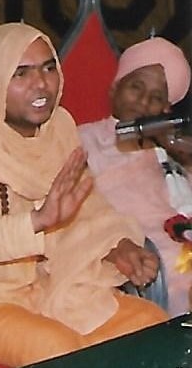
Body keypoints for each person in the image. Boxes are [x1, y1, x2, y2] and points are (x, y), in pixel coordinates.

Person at [0, 22, 168, 368]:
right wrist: (35, 223)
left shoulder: (59, 129)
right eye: (21, 73)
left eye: (48, 68)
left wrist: (117, 245)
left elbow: (87, 206)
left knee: (150, 326)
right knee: (60, 352)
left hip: (50, 287)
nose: (41, 84)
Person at [77, 36, 192, 315]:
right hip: (143, 256)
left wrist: (183, 157)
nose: (143, 102)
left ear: (166, 110)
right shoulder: (81, 140)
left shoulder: (174, 148)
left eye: (156, 98)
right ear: (115, 87)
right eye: (136, 87)